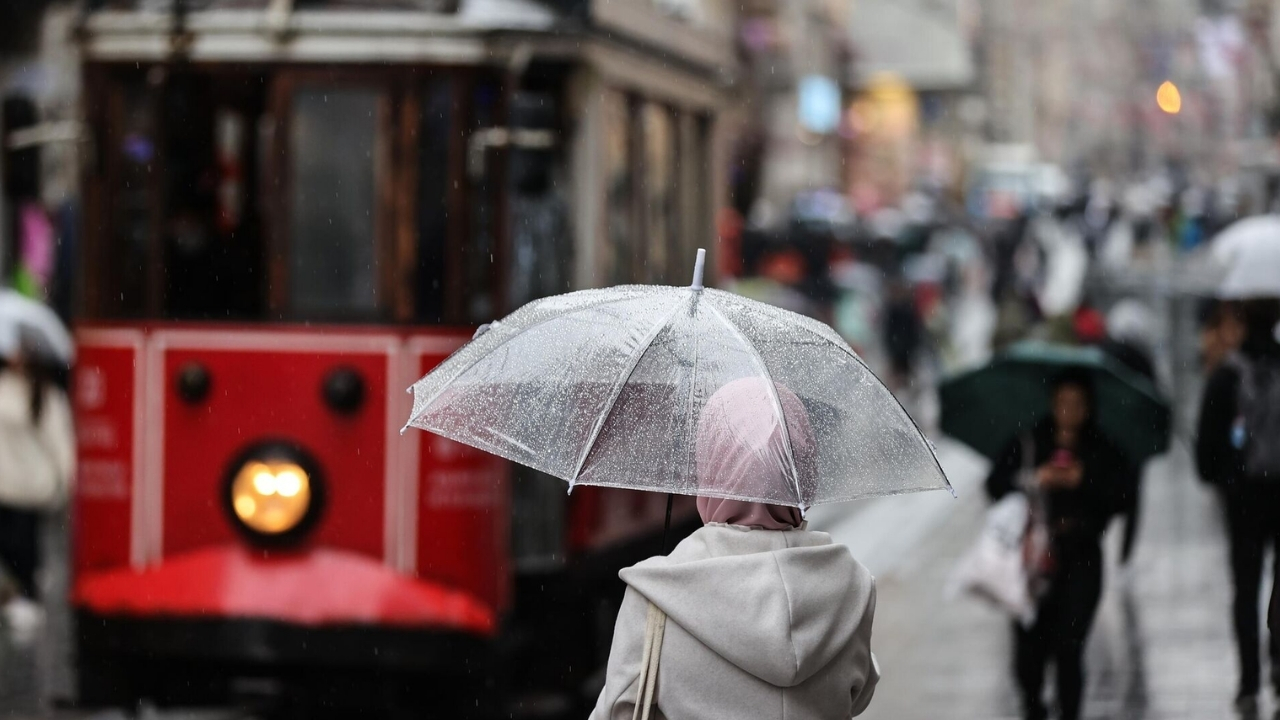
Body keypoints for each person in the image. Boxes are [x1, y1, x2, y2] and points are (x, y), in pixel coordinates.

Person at [589, 378, 879, 719]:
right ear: (805, 472)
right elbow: (859, 692)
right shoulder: (853, 585)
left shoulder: (656, 594)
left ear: (711, 466)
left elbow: (620, 711)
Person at [985, 370, 1129, 720]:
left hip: (1081, 559)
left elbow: (1122, 496)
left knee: (1070, 646)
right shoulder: (1030, 441)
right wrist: (1037, 479)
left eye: (1077, 404)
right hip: (1033, 560)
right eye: (1063, 402)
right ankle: (1033, 706)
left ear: (1088, 408)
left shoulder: (1102, 447)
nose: (1069, 411)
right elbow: (995, 484)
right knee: (1029, 651)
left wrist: (1084, 480)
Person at [1196, 298, 1280, 716]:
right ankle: (1279, 668)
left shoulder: (1227, 375)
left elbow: (1205, 453)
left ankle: (1248, 681)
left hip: (1243, 498)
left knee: (1245, 590)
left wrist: (1225, 477)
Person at [0, 341, 75, 648]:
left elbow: (60, 441)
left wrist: (68, 481)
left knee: (22, 546)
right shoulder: (3, 388)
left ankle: (27, 595)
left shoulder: (47, 396)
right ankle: (17, 594)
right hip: (3, 483)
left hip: (30, 487)